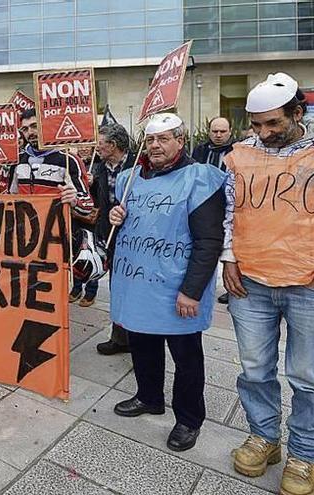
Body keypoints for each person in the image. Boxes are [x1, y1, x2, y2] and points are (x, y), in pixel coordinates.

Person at [223, 73, 314, 495]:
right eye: (255, 125)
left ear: (298, 113)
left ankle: (304, 456)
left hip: (309, 285)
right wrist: (229, 258)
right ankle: (264, 437)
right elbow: (229, 213)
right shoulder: (238, 155)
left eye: (272, 123)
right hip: (249, 285)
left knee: (307, 377)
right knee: (254, 370)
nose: (263, 133)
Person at [108, 113, 226, 453]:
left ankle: (189, 419)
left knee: (186, 358)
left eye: (163, 139)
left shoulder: (200, 179)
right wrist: (116, 214)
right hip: (138, 285)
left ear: (180, 141)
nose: (155, 146)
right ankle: (149, 396)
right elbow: (123, 224)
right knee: (142, 345)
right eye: (150, 140)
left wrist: (191, 291)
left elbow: (208, 241)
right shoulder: (130, 179)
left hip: (177, 288)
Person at [12, 109, 95, 286]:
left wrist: (74, 200)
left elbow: (87, 205)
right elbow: (9, 197)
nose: (30, 133)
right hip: (24, 239)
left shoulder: (68, 160)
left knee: (54, 290)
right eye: (25, 129)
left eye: (34, 126)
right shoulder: (17, 160)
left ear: (45, 125)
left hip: (56, 241)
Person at [90, 123, 137, 354]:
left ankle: (137, 335)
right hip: (108, 233)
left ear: (113, 145)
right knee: (116, 286)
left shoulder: (138, 165)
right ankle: (120, 337)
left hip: (134, 234)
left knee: (133, 287)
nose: (96, 147)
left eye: (100, 143)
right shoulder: (98, 168)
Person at [193, 116, 236, 305]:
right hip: (205, 204)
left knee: (231, 246)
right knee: (207, 247)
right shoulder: (200, 150)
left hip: (230, 204)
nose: (218, 135)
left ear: (230, 132)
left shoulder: (238, 151)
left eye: (223, 131)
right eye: (215, 131)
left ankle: (232, 287)